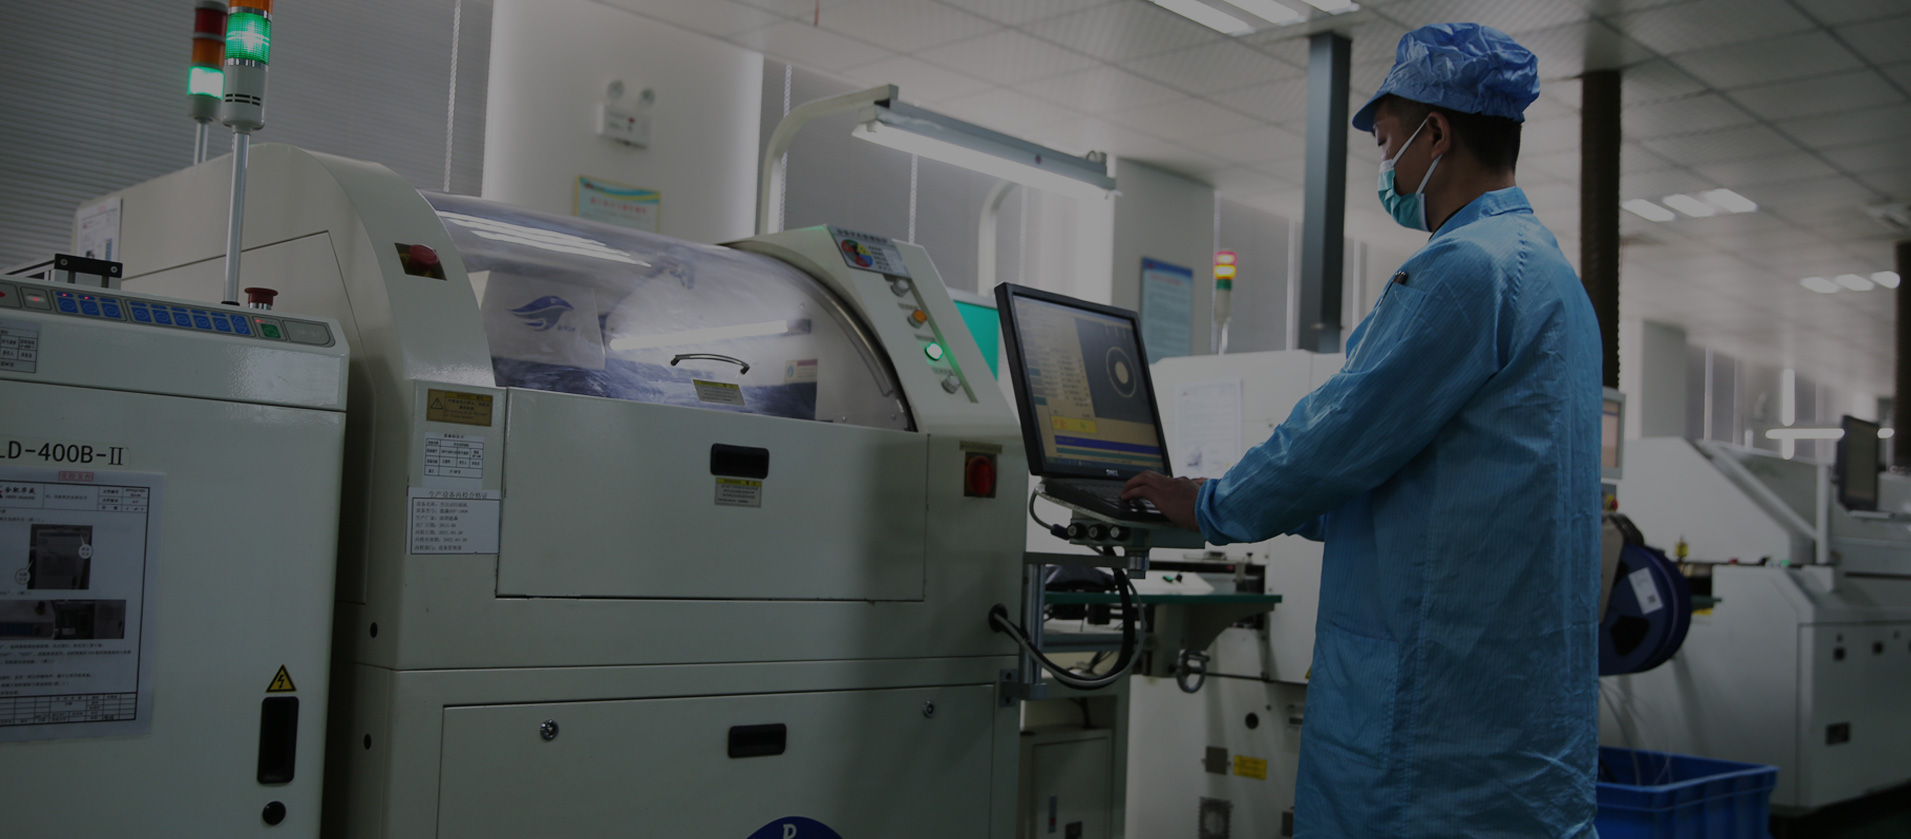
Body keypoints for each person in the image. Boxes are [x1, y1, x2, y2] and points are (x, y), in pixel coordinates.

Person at [1121, 23, 1603, 839]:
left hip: (1434, 713)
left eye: (1385, 143)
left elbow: (1341, 433)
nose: (1386, 168)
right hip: (1512, 702)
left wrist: (1209, 503)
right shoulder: (1555, 279)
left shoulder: (1463, 269)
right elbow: (1432, 473)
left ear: (1435, 133)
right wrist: (1285, 503)